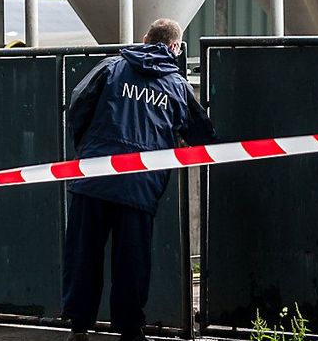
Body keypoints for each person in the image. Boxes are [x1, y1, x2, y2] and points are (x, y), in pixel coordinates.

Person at [62, 18, 215, 341]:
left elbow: (78, 103)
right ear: (175, 48)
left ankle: (79, 327)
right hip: (140, 186)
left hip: (93, 175)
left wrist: (88, 147)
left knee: (83, 254)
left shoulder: (112, 67)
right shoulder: (177, 85)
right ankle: (130, 330)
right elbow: (203, 132)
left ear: (144, 39)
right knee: (132, 261)